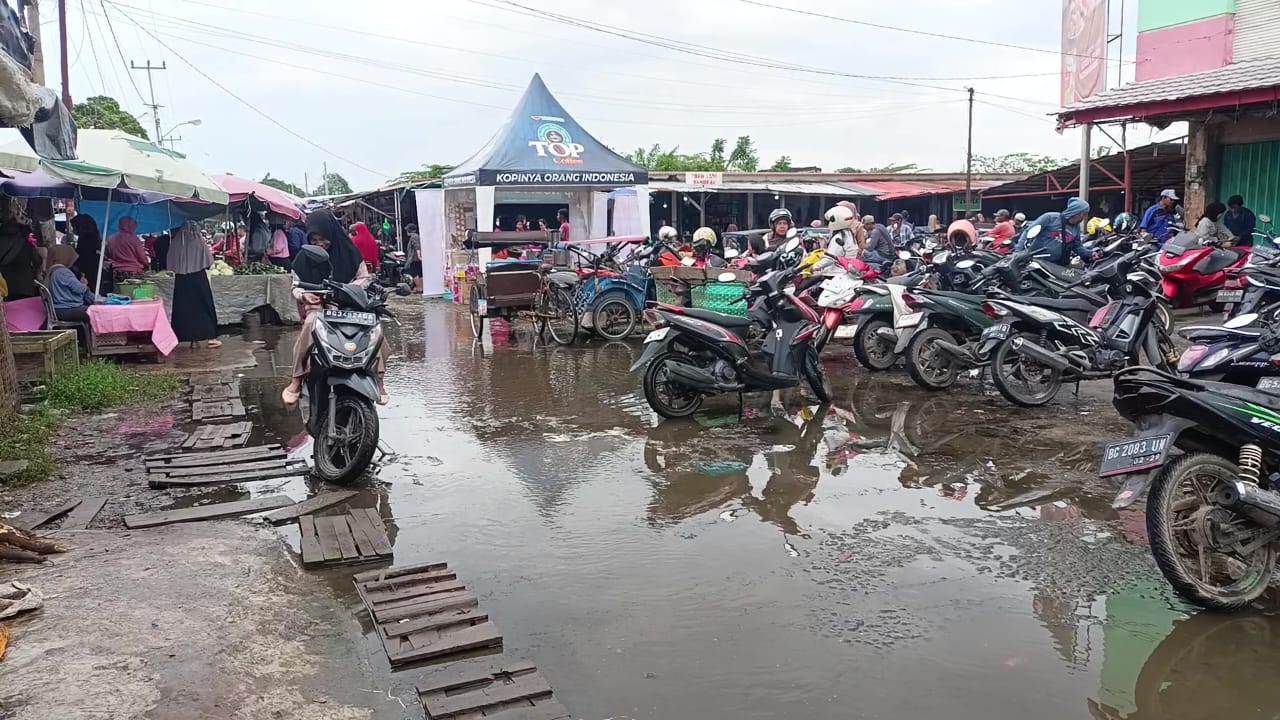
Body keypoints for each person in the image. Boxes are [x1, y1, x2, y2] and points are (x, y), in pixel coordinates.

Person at [283, 210, 387, 406]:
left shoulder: (349, 251)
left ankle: (379, 379)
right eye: (314, 240)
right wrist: (304, 296)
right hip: (320, 309)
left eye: (323, 239)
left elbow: (364, 277)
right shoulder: (303, 258)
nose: (319, 244)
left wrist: (349, 289)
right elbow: (296, 286)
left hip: (351, 306)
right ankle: (296, 379)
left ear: (332, 234)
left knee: (375, 331)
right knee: (310, 325)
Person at [167, 221, 222, 348]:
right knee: (203, 306)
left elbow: (170, 261)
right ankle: (210, 337)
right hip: (198, 278)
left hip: (181, 279)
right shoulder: (199, 241)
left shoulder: (176, 242)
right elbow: (209, 261)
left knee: (183, 308)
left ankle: (181, 336)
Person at [1018, 197, 1095, 265]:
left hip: (1057, 267)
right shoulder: (1050, 218)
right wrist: (1018, 252)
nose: (1085, 217)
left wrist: (1090, 253)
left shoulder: (1076, 228)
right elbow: (1028, 231)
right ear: (1076, 212)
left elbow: (1077, 247)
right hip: (1037, 262)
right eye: (1084, 214)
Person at [46, 244, 101, 323]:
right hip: (66, 309)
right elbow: (79, 289)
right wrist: (84, 283)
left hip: (58, 309)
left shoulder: (52, 270)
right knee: (97, 312)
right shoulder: (63, 272)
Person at [0, 220, 38, 299]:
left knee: (6, 309)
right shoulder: (25, 243)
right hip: (24, 285)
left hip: (4, 285)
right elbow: (37, 260)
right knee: (23, 309)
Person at [105, 216, 150, 282]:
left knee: (118, 291)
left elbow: (108, 254)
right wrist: (147, 264)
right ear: (131, 226)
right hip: (133, 271)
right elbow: (142, 256)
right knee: (133, 291)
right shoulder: (134, 239)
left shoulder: (111, 238)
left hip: (116, 271)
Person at [68, 214, 103, 289]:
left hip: (87, 270)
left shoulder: (86, 239)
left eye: (74, 227)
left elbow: (84, 256)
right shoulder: (94, 237)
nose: (73, 230)